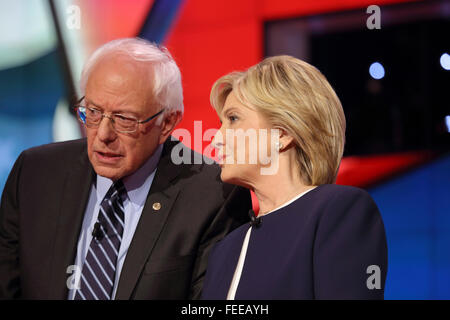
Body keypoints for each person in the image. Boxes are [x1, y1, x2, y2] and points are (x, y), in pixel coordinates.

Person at [0, 38, 251, 300]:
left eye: (125, 119)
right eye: (93, 112)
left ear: (167, 122)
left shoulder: (214, 194)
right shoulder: (35, 174)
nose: (103, 135)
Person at [201, 55, 388, 299]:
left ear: (283, 133)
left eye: (233, 119)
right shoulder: (224, 250)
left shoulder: (338, 211)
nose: (216, 139)